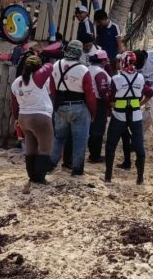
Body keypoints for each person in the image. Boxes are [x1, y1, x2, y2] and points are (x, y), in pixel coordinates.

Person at [49, 40, 97, 176]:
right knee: (79, 140)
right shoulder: (83, 70)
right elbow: (90, 95)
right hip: (78, 107)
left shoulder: (56, 65)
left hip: (60, 106)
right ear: (79, 52)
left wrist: (56, 105)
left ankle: (51, 164)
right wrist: (93, 112)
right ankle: (76, 169)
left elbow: (52, 90)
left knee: (59, 138)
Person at [104, 51, 151, 184]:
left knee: (111, 146)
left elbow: (110, 99)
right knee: (139, 147)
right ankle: (140, 178)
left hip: (119, 116)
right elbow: (149, 93)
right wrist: (138, 104)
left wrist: (115, 105)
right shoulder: (140, 78)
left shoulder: (116, 79)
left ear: (122, 62)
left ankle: (108, 177)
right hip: (136, 116)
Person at [11, 54, 54, 192]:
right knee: (45, 148)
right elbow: (50, 66)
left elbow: (14, 105)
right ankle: (40, 178)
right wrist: (43, 58)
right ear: (37, 67)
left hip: (24, 118)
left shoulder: (16, 82)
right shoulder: (37, 77)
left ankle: (32, 176)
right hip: (40, 117)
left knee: (30, 148)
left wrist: (16, 119)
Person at [86, 50, 112, 164]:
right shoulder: (100, 72)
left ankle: (93, 153)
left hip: (88, 100)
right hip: (99, 103)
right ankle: (95, 156)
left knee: (92, 129)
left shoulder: (88, 69)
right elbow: (103, 91)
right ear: (102, 60)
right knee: (98, 130)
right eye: (106, 59)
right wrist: (109, 104)